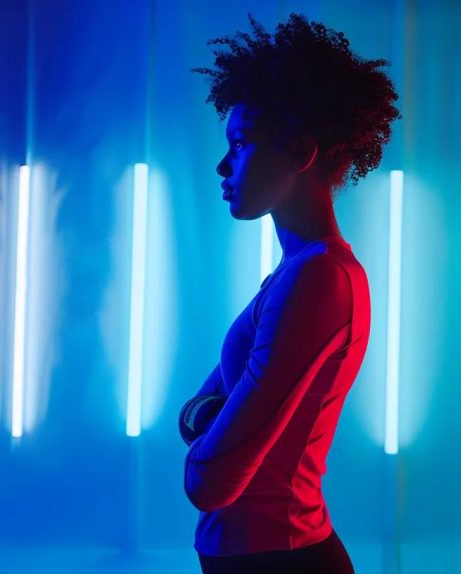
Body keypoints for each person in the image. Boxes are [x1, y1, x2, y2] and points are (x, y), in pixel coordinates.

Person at [177, 13, 399, 573]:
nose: (223, 165)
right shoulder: (293, 274)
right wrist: (211, 423)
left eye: (241, 142)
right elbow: (194, 417)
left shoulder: (318, 280)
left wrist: (210, 428)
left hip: (281, 556)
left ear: (301, 151)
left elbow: (208, 479)